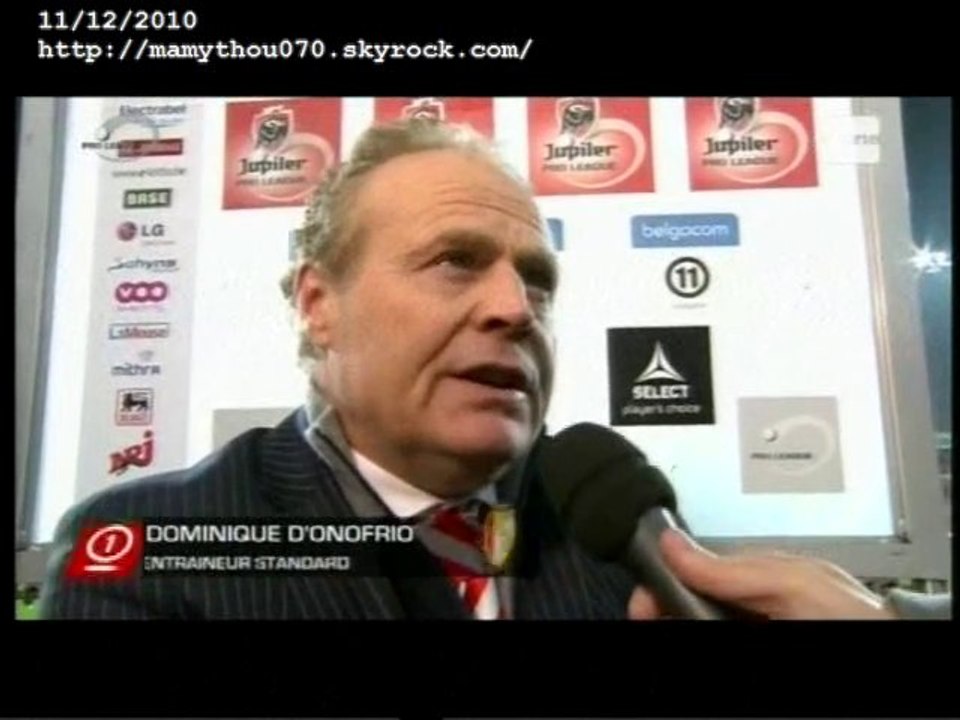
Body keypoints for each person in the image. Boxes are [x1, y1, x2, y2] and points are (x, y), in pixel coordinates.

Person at [38, 118, 934, 620]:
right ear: (319, 304)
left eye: (537, 280)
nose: (515, 307)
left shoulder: (615, 533)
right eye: (455, 262)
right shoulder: (146, 551)